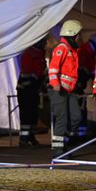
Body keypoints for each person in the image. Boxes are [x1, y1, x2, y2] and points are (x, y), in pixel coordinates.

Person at [48, 20, 82, 155]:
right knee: (62, 119)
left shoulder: (71, 50)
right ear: (72, 34)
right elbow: (53, 69)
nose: (79, 38)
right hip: (59, 90)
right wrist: (56, 84)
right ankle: (58, 150)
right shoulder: (61, 49)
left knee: (76, 117)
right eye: (78, 35)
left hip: (69, 90)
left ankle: (64, 141)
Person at [16, 36, 47, 148]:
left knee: (33, 114)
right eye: (44, 41)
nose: (46, 43)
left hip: (33, 88)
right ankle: (23, 139)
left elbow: (40, 70)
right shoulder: (30, 53)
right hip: (26, 89)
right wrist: (39, 78)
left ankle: (31, 137)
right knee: (26, 115)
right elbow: (30, 72)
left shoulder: (40, 53)